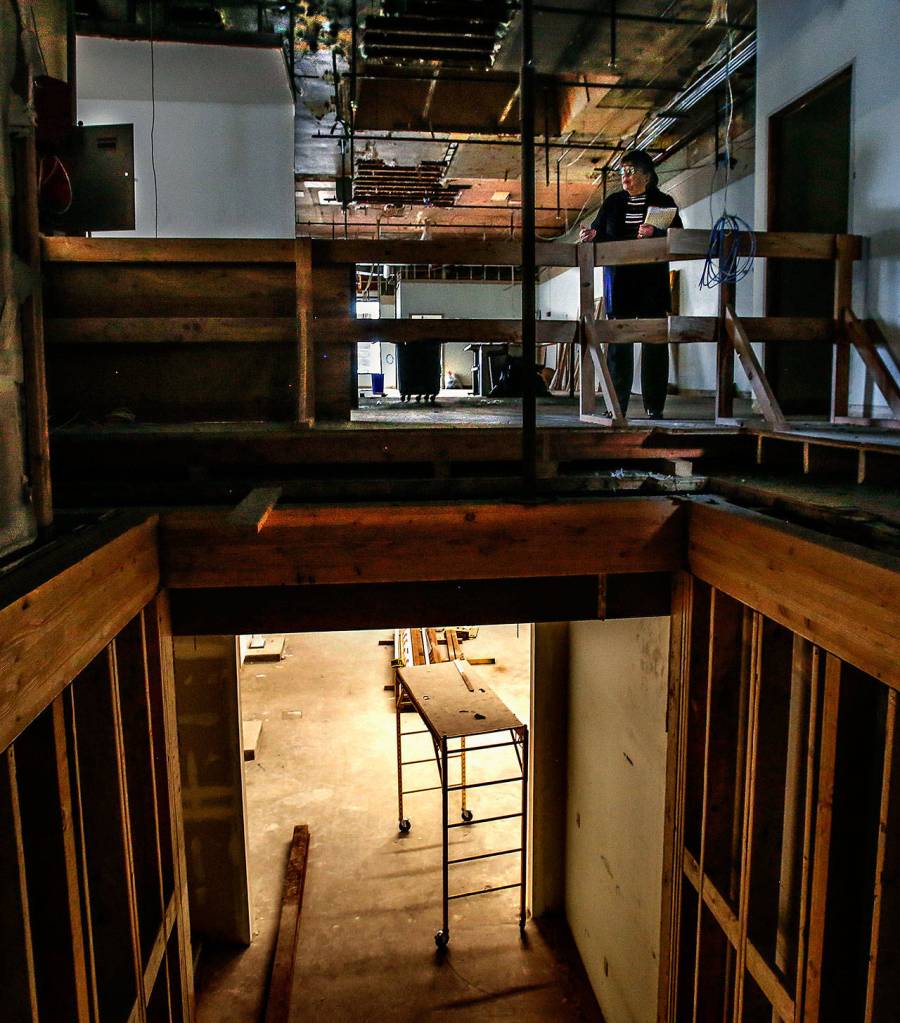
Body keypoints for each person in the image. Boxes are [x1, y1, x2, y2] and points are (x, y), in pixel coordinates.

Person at [579, 149, 681, 419]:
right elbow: (599, 232)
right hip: (620, 283)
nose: (625, 176)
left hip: (652, 284)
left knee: (655, 344)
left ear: (647, 175)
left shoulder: (662, 201)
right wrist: (591, 235)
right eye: (622, 171)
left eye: (631, 171)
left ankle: (654, 406)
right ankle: (617, 405)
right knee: (618, 345)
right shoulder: (612, 203)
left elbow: (678, 236)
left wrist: (656, 232)